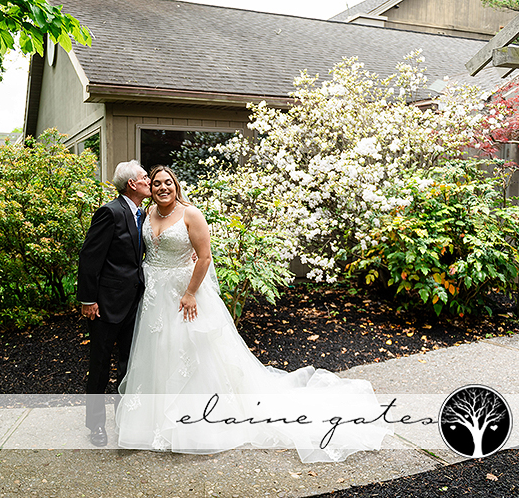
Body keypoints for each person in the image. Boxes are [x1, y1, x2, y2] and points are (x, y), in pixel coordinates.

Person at [115, 166, 392, 462]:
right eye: (157, 183)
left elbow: (204, 257)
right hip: (155, 296)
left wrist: (191, 292)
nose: (162, 187)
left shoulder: (191, 214)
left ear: (176, 185)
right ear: (150, 188)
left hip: (185, 294)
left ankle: (196, 422)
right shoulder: (147, 214)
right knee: (159, 352)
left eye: (168, 182)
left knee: (190, 353)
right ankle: (155, 421)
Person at [77, 160, 151, 447]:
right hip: (105, 305)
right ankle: (96, 424)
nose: (149, 181)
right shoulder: (110, 212)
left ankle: (124, 421)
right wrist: (89, 299)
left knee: (127, 365)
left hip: (135, 303)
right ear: (132, 183)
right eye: (145, 177)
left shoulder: (142, 214)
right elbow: (90, 256)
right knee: (100, 366)